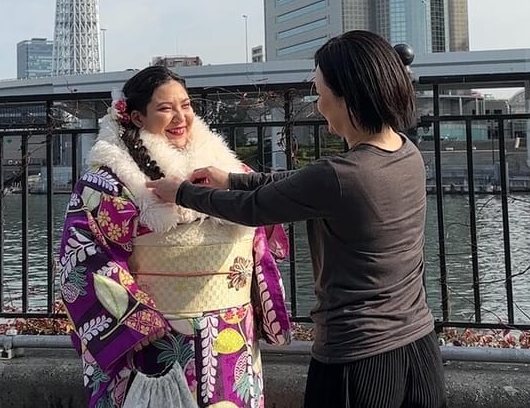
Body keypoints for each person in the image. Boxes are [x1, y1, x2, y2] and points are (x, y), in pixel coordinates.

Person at [147, 30, 447, 408]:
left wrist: (181, 193)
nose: (319, 104)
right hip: (418, 346)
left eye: (321, 93)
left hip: (359, 358)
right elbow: (300, 184)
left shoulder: (341, 176)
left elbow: (255, 208)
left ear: (347, 97)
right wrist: (232, 179)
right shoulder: (406, 153)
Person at [59, 66, 291, 408]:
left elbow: (259, 235)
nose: (180, 117)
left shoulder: (229, 170)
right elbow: (84, 257)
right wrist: (135, 321)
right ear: (137, 116)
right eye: (165, 108)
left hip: (231, 330)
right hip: (155, 335)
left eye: (186, 105)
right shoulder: (108, 181)